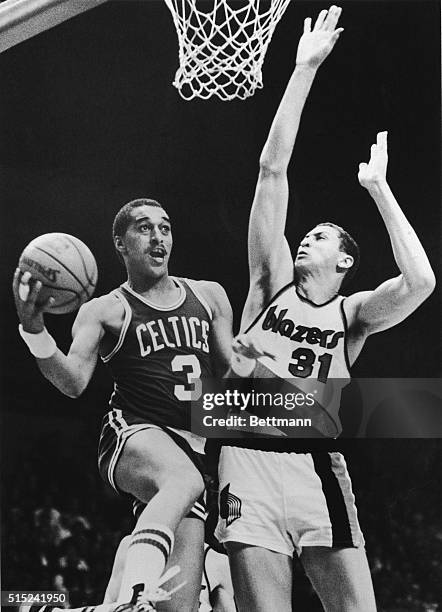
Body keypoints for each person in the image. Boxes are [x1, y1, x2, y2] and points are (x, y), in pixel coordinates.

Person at [215, 5, 435, 612]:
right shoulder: (271, 281)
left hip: (317, 466)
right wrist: (304, 69)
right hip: (248, 457)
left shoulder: (353, 316)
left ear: (345, 263)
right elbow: (271, 169)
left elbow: (420, 280)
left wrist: (380, 191)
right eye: (304, 232)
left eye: (322, 236)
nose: (306, 236)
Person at [13, 198, 233, 611]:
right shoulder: (106, 310)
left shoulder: (210, 297)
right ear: (121, 242)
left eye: (165, 228)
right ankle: (135, 594)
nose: (158, 236)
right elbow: (74, 380)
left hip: (193, 450)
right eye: (144, 228)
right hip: (133, 432)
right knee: (184, 481)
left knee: (179, 609)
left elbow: (232, 372)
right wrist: (35, 330)